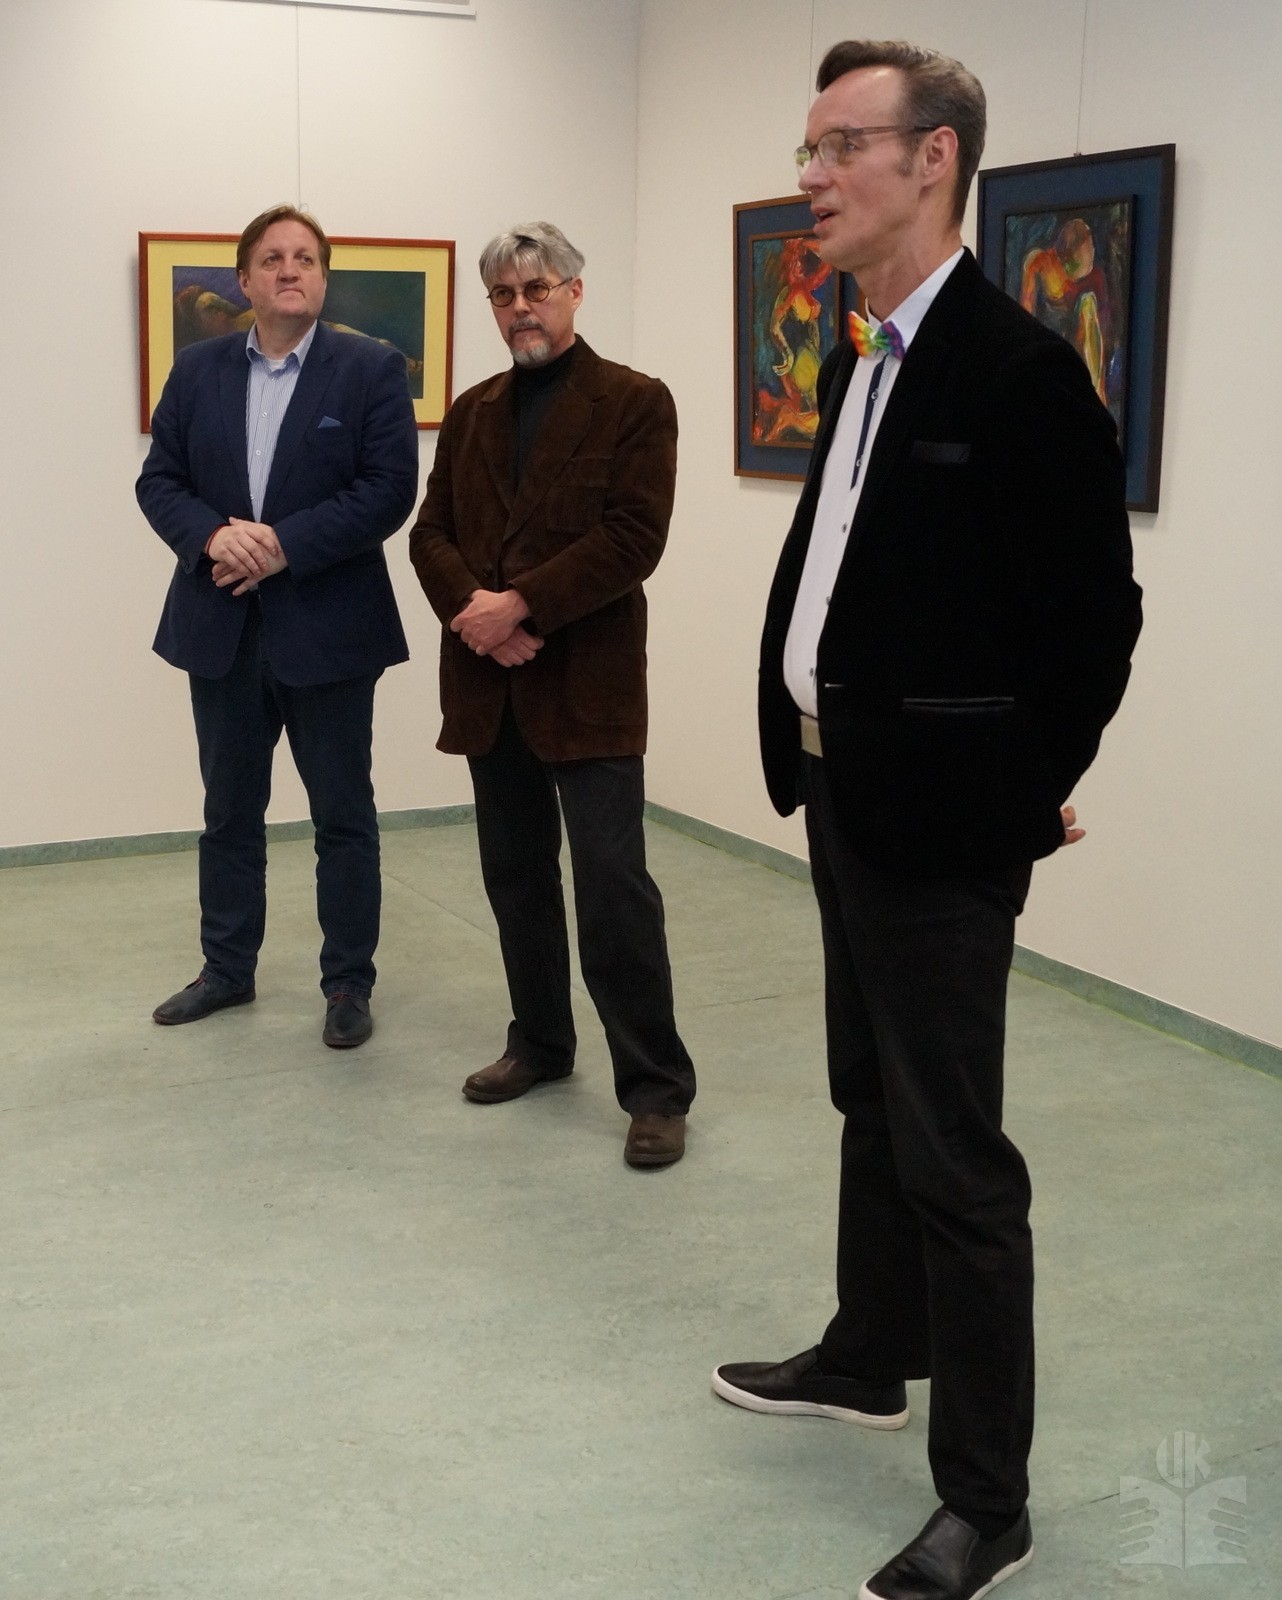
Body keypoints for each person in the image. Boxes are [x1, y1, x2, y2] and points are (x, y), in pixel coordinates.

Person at [712, 40, 1142, 1600]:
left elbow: (1091, 626)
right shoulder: (860, 360)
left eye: (839, 146)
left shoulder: (1018, 373)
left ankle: (986, 1500)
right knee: (868, 1098)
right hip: (843, 790)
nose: (810, 177)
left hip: (943, 827)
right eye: (807, 148)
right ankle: (866, 1353)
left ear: (934, 158)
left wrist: (1015, 794)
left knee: (955, 1155)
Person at [408, 222, 695, 1168]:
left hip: (588, 685)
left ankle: (655, 1089)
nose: (521, 308)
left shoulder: (635, 402)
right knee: (517, 878)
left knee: (614, 889)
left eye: (537, 289)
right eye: (504, 295)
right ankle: (539, 1041)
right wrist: (477, 615)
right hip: (490, 686)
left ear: (575, 290)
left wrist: (520, 604)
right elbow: (430, 533)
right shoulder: (474, 411)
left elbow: (634, 536)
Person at [137, 203, 419, 1049]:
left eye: (304, 258)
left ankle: (348, 983)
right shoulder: (198, 371)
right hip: (220, 628)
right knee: (229, 812)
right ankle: (226, 969)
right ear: (244, 279)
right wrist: (212, 537)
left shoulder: (370, 369)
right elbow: (160, 481)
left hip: (330, 631)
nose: (289, 270)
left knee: (343, 816)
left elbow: (388, 491)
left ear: (323, 277)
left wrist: (282, 547)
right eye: (271, 258)